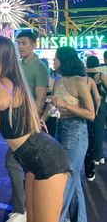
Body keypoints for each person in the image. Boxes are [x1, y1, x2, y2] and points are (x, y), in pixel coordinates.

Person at [0, 36, 70, 222]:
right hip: (31, 160)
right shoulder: (4, 81)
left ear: (7, 56)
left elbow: (0, 102)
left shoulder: (6, 80)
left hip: (47, 160)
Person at [4, 30, 49, 222]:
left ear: (34, 44)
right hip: (18, 119)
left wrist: (33, 121)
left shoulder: (39, 67)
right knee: (25, 164)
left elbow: (39, 100)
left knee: (12, 161)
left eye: (24, 43)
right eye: (18, 43)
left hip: (28, 123)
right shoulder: (20, 65)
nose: (20, 47)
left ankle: (22, 209)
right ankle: (28, 206)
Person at [51, 47, 95, 222]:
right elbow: (52, 106)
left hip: (75, 132)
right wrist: (41, 118)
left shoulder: (79, 82)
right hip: (59, 130)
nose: (53, 61)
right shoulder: (58, 80)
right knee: (74, 181)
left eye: (56, 58)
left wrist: (66, 105)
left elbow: (91, 114)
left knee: (65, 181)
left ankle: (57, 218)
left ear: (64, 60)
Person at [85, 55, 107, 166]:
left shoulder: (84, 76)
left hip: (86, 104)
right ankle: (99, 156)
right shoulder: (99, 74)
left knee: (89, 131)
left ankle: (93, 155)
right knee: (99, 130)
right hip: (100, 104)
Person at [84, 57, 101, 181]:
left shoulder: (68, 80)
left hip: (75, 114)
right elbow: (97, 98)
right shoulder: (90, 79)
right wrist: (96, 110)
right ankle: (90, 172)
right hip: (91, 112)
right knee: (91, 138)